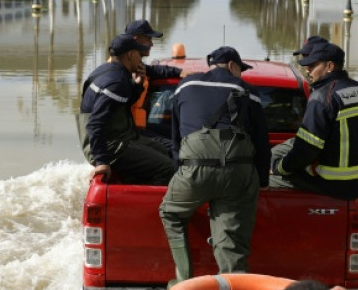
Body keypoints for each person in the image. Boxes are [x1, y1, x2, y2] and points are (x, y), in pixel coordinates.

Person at [159, 46, 271, 288]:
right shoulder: (248, 92)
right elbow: (262, 142)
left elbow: (176, 137)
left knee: (171, 213)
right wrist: (262, 181)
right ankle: (234, 283)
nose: (241, 74)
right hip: (238, 173)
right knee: (232, 242)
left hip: (193, 171)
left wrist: (180, 171)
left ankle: (183, 282)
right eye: (241, 69)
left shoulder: (185, 87)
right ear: (232, 65)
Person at [271, 42, 358, 200]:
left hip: (336, 184)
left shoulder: (322, 97)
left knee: (261, 178)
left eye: (312, 65)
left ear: (329, 66)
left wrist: (278, 168)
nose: (307, 70)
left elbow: (306, 150)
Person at [79, 34, 175, 185]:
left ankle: (133, 183)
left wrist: (137, 85)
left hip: (118, 137)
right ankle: (147, 205)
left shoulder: (108, 71)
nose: (141, 60)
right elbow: (95, 123)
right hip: (110, 146)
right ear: (130, 55)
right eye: (139, 55)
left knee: (163, 150)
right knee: (166, 167)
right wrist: (102, 161)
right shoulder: (117, 82)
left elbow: (120, 104)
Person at [124, 19, 184, 149]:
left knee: (183, 137)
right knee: (179, 149)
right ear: (136, 39)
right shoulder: (122, 72)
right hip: (130, 135)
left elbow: (154, 70)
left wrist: (180, 72)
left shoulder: (136, 65)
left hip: (140, 127)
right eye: (148, 39)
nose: (152, 44)